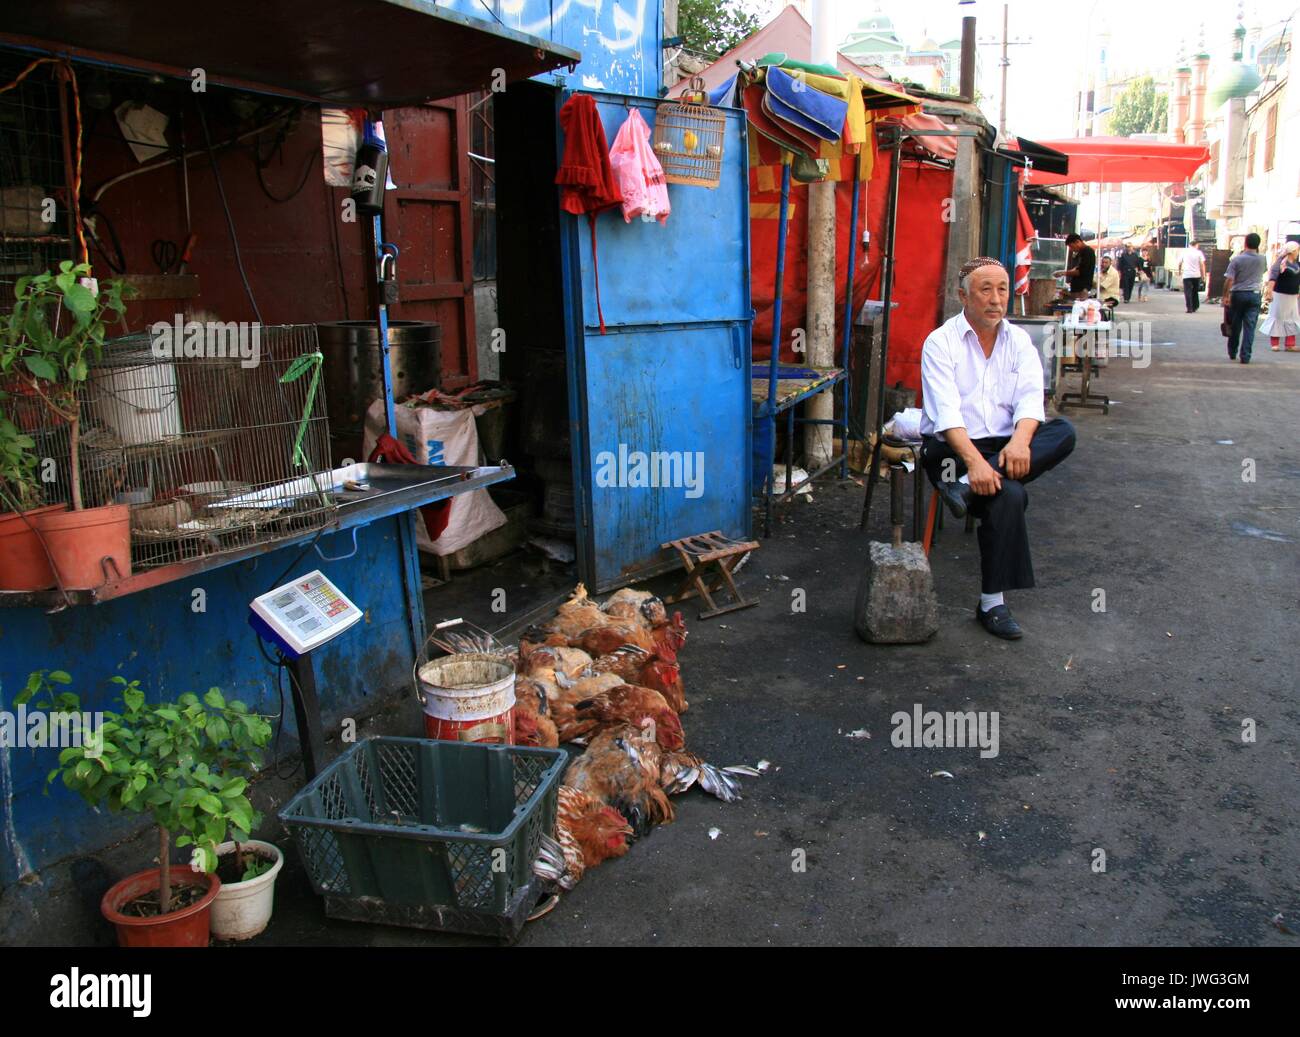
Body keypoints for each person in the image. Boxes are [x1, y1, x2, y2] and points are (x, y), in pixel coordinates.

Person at [920, 257, 1077, 641]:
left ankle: (967, 488)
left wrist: (1022, 441)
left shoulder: (1018, 340)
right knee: (1009, 495)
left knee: (1064, 431)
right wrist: (974, 463)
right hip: (951, 449)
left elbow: (1029, 402)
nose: (996, 299)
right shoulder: (940, 342)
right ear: (963, 296)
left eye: (1003, 289)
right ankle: (992, 604)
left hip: (1004, 446)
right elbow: (947, 414)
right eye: (985, 289)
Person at [1221, 232, 1268, 364]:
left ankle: (1232, 351)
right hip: (1254, 295)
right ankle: (1246, 355)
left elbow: (1229, 279)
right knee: (1250, 327)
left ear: (1245, 243)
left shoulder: (1237, 259)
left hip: (1238, 294)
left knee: (1235, 325)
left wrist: (1225, 295)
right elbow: (1263, 272)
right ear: (1258, 244)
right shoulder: (1262, 259)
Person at [1259, 240, 1300, 352]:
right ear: (1292, 251)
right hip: (1279, 295)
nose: (1298, 253)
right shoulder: (1280, 263)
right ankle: (1275, 344)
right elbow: (1273, 277)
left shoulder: (1296, 264)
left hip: (1292, 297)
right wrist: (1269, 292)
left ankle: (1290, 344)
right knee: (1277, 318)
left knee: (1292, 319)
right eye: (1297, 250)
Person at [1056, 233, 1096, 300]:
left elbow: (1081, 271)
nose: (1072, 249)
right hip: (1076, 288)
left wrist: (1064, 273)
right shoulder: (1080, 253)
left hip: (1082, 289)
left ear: (1078, 241)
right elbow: (1077, 268)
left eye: (1072, 246)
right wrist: (1063, 272)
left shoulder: (1088, 252)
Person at [1182, 241, 1207, 312]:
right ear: (1196, 245)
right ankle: (1195, 306)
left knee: (1187, 291)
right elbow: (1202, 265)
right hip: (1196, 275)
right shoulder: (1199, 253)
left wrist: (1180, 271)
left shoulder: (1184, 252)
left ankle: (1189, 308)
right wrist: (1203, 275)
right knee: (1195, 291)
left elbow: (1180, 262)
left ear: (1189, 245)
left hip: (1187, 275)